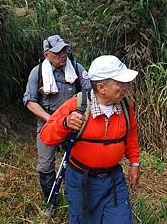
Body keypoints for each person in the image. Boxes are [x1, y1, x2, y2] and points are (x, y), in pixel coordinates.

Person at [40, 55, 140, 223]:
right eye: (120, 83)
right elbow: (46, 136)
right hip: (81, 182)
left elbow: (130, 136)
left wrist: (134, 163)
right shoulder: (78, 106)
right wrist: (65, 123)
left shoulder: (124, 107)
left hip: (114, 180)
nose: (125, 87)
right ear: (101, 87)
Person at [22, 35, 90, 208]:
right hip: (47, 123)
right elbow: (30, 101)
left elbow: (89, 92)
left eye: (64, 50)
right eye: (58, 52)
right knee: (45, 166)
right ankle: (50, 200)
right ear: (47, 55)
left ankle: (75, 197)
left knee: (77, 163)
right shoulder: (38, 72)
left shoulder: (75, 68)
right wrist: (52, 119)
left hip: (74, 124)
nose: (63, 54)